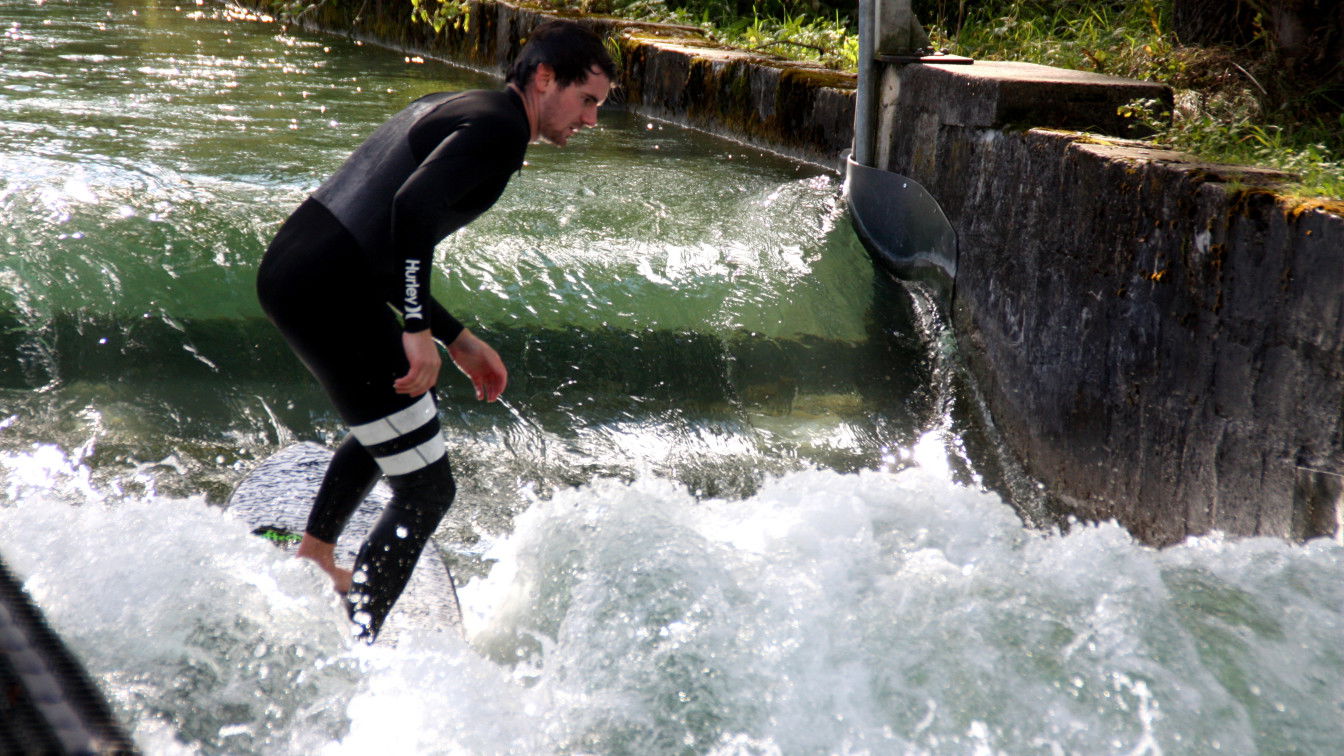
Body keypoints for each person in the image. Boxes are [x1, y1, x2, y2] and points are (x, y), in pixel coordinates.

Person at [256, 20, 617, 641]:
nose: (590, 121)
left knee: (402, 408)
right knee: (426, 489)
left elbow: (382, 240)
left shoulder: (460, 106)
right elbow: (410, 212)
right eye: (587, 101)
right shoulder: (501, 131)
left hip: (303, 269)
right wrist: (418, 329)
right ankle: (358, 637)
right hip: (328, 290)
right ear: (544, 78)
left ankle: (316, 556)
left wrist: (457, 338)